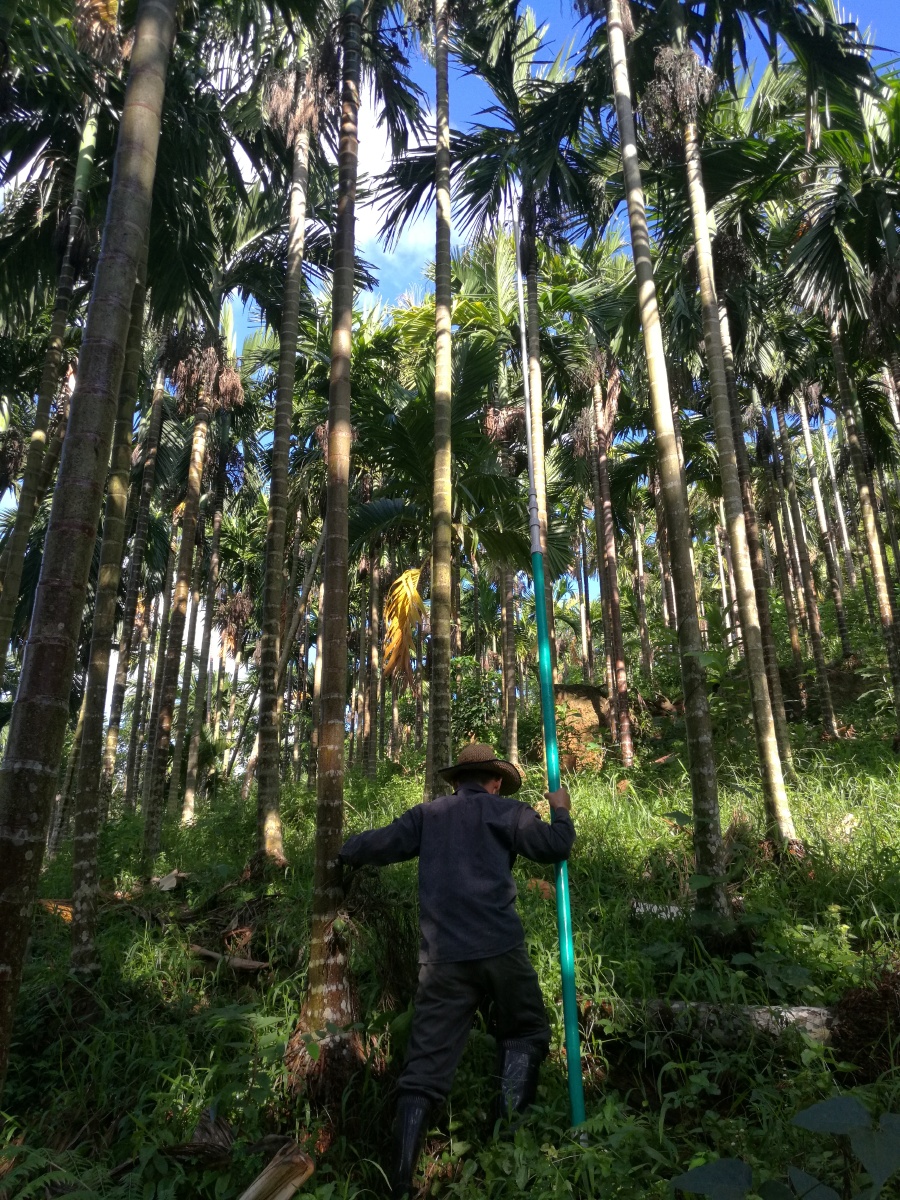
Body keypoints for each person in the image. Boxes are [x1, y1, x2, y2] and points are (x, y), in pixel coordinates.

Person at [338, 741, 575, 1197]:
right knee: (524, 1029)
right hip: (500, 948)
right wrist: (561, 810)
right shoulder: (511, 812)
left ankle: (400, 1182)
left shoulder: (427, 816)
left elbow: (381, 844)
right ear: (495, 781)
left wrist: (345, 851)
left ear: (457, 782)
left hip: (443, 956)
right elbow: (555, 847)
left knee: (424, 1067)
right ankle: (505, 1148)